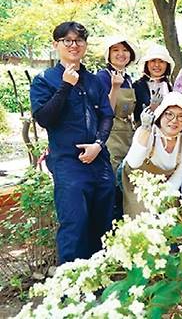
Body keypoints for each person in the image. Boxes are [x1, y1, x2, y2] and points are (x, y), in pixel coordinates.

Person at [30, 21, 115, 263]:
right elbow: (45, 118)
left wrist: (99, 144)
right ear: (56, 44)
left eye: (78, 40)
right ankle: (70, 288)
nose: (73, 45)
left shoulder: (94, 80)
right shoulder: (44, 79)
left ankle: (99, 280)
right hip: (68, 162)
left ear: (85, 45)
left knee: (103, 221)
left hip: (99, 160)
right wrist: (66, 86)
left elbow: (106, 115)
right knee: (74, 222)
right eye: (67, 40)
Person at [122, 92, 182, 218]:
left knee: (174, 223)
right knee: (143, 221)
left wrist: (162, 198)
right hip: (137, 184)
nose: (174, 121)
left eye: (180, 116)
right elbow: (133, 163)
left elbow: (179, 175)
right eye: (169, 114)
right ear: (160, 116)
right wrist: (145, 130)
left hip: (165, 188)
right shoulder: (146, 132)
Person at [96, 36, 139, 175]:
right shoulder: (102, 76)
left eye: (125, 50)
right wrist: (115, 87)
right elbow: (104, 110)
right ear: (108, 54)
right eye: (115, 50)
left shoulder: (128, 79)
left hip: (127, 132)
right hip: (110, 133)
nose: (121, 54)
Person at [133, 44, 174, 124]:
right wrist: (151, 108)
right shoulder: (137, 86)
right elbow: (136, 115)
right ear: (147, 64)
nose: (157, 65)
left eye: (161, 61)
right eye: (153, 61)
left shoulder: (169, 86)